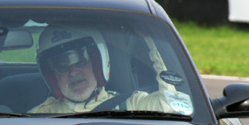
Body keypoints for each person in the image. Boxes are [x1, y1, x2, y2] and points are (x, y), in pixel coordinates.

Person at [28, 26, 193, 116]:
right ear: (52, 77)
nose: (73, 72)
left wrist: (150, 36)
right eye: (61, 65)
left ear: (99, 62)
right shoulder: (40, 117)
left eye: (82, 59)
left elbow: (172, 105)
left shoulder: (131, 105)